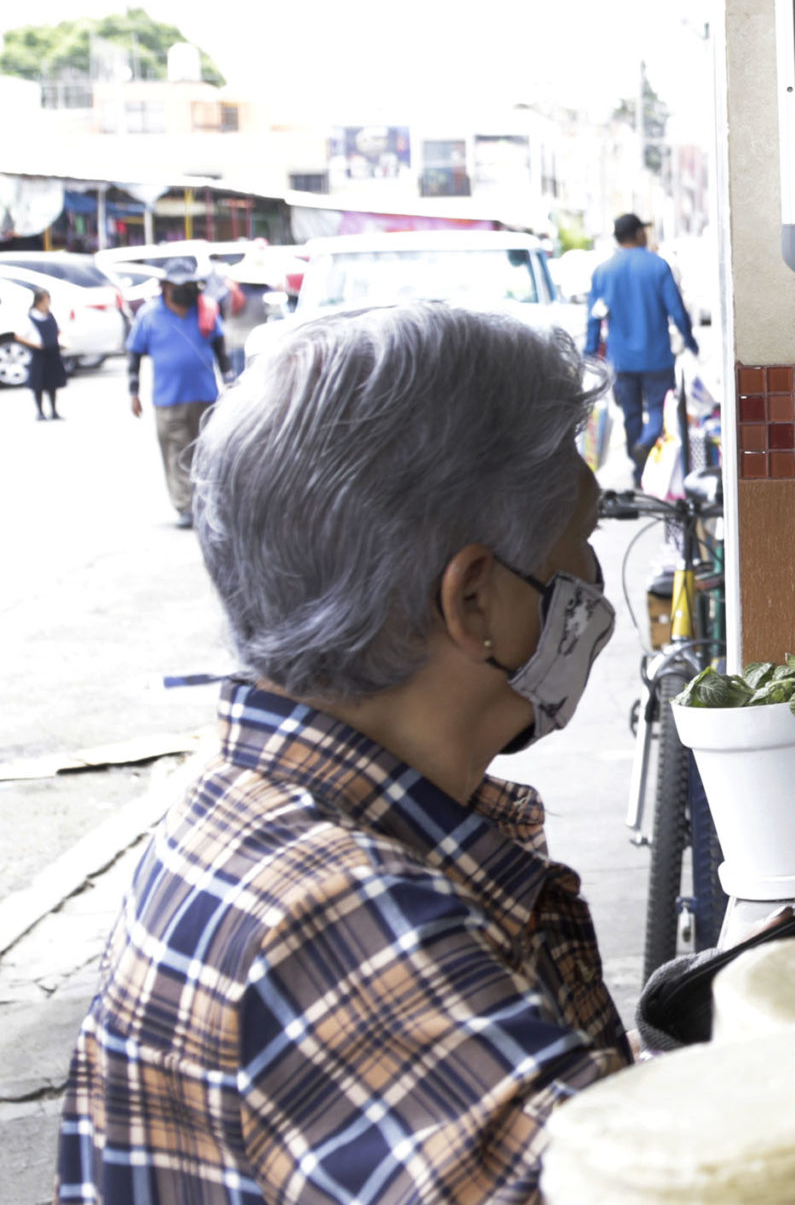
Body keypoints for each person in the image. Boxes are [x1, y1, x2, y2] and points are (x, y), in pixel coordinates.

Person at [59, 304, 628, 1202]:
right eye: (581, 550)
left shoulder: (254, 807)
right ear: (475, 601)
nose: (595, 595)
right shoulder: (337, 916)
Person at [582, 212, 698, 486]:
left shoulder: (603, 272)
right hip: (657, 357)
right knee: (660, 409)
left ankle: (638, 473)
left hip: (620, 361)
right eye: (643, 231)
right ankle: (648, 444)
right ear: (637, 234)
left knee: (631, 415)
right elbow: (677, 312)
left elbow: (593, 319)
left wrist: (589, 356)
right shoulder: (658, 266)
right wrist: (691, 342)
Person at [124, 261, 227, 526]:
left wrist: (229, 381)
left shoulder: (206, 311)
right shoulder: (149, 316)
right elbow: (134, 354)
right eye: (181, 285)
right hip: (169, 399)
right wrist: (133, 391)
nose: (187, 290)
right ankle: (185, 506)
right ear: (166, 287)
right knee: (176, 452)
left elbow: (220, 349)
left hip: (205, 395)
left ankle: (209, 502)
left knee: (207, 451)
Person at [26, 286, 66, 419]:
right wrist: (36, 344)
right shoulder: (31, 317)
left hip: (52, 353)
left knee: (52, 384)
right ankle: (40, 412)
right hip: (39, 354)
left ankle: (54, 411)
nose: (47, 304)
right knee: (39, 384)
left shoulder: (50, 315)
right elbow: (20, 336)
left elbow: (58, 330)